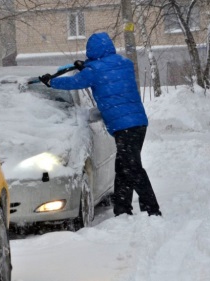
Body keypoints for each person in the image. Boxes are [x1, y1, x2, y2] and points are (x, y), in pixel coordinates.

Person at [39, 32, 161, 217]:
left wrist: (51, 82)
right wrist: (87, 67)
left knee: (132, 168)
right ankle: (122, 210)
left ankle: (152, 210)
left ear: (91, 51)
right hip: (138, 124)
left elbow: (75, 82)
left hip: (123, 126)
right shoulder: (123, 63)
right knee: (123, 167)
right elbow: (107, 73)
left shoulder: (94, 71)